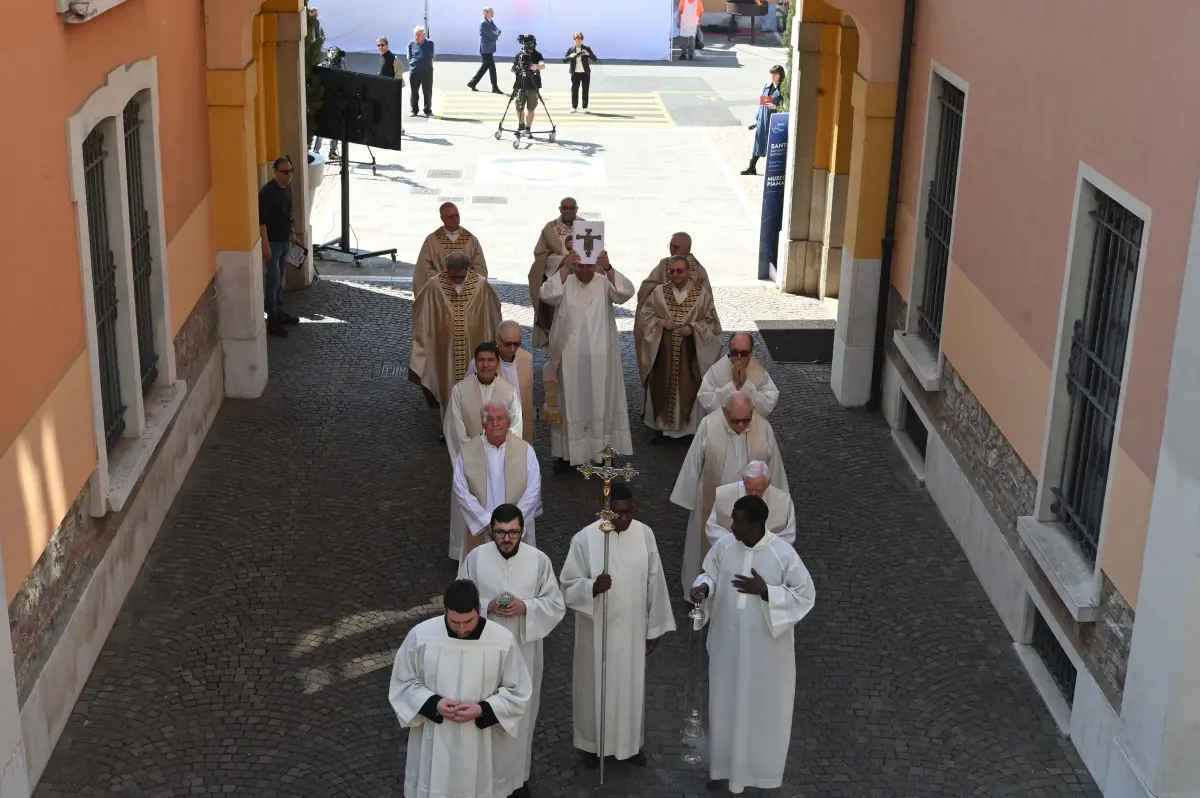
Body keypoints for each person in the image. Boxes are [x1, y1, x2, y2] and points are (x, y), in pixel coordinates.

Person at [690, 495, 816, 794]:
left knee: (762, 713)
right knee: (724, 707)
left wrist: (767, 591)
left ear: (757, 524)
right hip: (727, 647)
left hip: (766, 656)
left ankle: (760, 775)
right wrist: (703, 587)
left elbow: (805, 596)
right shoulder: (724, 546)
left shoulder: (782, 554)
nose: (732, 527)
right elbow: (710, 573)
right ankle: (721, 769)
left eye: (738, 523)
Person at [559, 483, 676, 768]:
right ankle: (591, 745)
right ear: (605, 510)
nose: (624, 519)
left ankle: (630, 744)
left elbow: (655, 582)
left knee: (630, 688)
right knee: (594, 687)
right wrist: (592, 587)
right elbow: (567, 585)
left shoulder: (645, 534)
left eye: (629, 512)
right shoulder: (585, 539)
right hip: (597, 630)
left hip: (633, 629)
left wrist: (654, 629)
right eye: (618, 513)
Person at [457, 504, 565, 798]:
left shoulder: (539, 561)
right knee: (485, 708)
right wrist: (486, 606)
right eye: (501, 532)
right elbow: (459, 599)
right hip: (485, 652)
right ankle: (485, 778)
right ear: (491, 530)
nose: (507, 538)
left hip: (524, 651)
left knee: (520, 714)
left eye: (513, 532)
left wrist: (526, 607)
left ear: (522, 531)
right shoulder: (476, 559)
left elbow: (555, 604)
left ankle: (517, 779)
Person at [388, 579, 533, 798]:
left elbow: (518, 691)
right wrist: (434, 704)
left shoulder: (502, 641)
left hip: (482, 741)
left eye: (468, 621)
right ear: (445, 610)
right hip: (435, 739)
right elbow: (403, 683)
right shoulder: (422, 636)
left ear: (479, 610)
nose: (462, 629)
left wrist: (482, 709)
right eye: (455, 622)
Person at [670, 392, 788, 594]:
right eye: (735, 421)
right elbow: (694, 460)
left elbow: (773, 466)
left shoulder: (763, 427)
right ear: (724, 412)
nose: (741, 426)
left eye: (746, 420)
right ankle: (702, 592)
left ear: (752, 412)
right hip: (714, 501)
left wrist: (779, 500)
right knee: (707, 546)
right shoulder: (709, 425)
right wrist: (687, 496)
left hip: (752, 501)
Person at [538, 245, 635, 471]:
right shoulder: (565, 282)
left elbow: (626, 292)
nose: (584, 271)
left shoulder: (604, 283)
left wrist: (608, 267)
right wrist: (564, 268)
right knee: (570, 403)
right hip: (569, 359)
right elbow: (546, 294)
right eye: (579, 266)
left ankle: (604, 450)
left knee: (601, 403)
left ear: (595, 264)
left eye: (589, 266)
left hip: (601, 359)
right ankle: (567, 453)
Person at [408, 253, 503, 430]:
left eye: (460, 276)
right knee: (448, 388)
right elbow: (421, 312)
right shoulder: (434, 285)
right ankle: (449, 428)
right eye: (453, 277)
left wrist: (494, 342)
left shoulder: (481, 285)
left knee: (476, 387)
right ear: (446, 270)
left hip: (474, 348)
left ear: (467, 270)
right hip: (444, 350)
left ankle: (474, 427)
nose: (457, 280)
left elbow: (494, 312)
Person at [636, 255, 722, 442]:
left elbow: (711, 323)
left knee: (687, 389)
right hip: (663, 353)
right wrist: (660, 323)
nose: (675, 275)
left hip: (690, 355)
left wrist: (693, 328)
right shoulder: (659, 292)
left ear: (688, 272)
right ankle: (660, 429)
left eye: (679, 271)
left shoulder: (701, 295)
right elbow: (646, 315)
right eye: (671, 271)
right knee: (661, 386)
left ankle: (687, 431)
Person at [450, 401, 540, 561]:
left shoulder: (526, 451)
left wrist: (513, 524)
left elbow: (533, 490)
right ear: (483, 423)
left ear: (509, 422)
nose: (495, 424)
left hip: (516, 526)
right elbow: (461, 490)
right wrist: (487, 522)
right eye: (489, 419)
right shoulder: (467, 452)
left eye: (500, 418)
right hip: (483, 529)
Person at [445, 342, 523, 463]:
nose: (486, 365)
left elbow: (516, 426)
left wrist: (499, 452)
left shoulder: (509, 391)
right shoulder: (459, 391)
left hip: (501, 459)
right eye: (481, 360)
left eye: (490, 360)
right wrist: (473, 452)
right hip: (471, 458)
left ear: (497, 363)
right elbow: (455, 429)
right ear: (475, 363)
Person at [633, 233, 712, 348]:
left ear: (687, 248)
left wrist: (693, 327)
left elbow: (707, 308)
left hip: (689, 337)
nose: (671, 250)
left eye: (675, 247)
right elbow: (645, 288)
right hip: (665, 333)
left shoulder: (699, 271)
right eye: (670, 246)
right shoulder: (664, 264)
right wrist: (663, 293)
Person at [258, 156, 302, 338]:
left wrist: (293, 233)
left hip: (284, 240)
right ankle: (273, 319)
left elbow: (289, 213)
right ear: (275, 172)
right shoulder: (267, 192)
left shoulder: (287, 187)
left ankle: (279, 310)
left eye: (291, 171)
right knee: (273, 280)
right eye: (285, 172)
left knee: (280, 278)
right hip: (273, 243)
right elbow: (261, 221)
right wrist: (265, 245)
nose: (289, 175)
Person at [468, 321, 534, 442]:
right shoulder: (483, 362)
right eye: (508, 344)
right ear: (497, 339)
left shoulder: (527, 359)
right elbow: (469, 393)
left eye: (517, 344)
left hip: (518, 424)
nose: (512, 349)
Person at [706, 460, 796, 545]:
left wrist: (763, 546)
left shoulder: (783, 501)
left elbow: (788, 535)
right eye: (749, 489)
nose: (753, 494)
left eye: (758, 490)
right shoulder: (724, 495)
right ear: (743, 480)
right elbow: (713, 527)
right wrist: (735, 544)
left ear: (768, 483)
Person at [529, 197, 578, 349]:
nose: (568, 211)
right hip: (556, 272)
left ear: (576, 209)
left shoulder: (586, 226)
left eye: (571, 208)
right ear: (560, 209)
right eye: (565, 208)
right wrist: (562, 261)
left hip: (581, 271)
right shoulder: (550, 228)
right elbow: (540, 252)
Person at [414, 202, 488, 299]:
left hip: (466, 294)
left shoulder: (471, 239)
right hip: (440, 294)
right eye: (450, 217)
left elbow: (480, 268)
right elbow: (423, 269)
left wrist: (466, 281)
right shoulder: (432, 240)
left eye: (457, 215)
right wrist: (442, 281)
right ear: (442, 218)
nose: (455, 219)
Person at [697, 332, 779, 416]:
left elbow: (768, 405)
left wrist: (746, 385)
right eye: (735, 353)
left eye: (744, 353)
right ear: (729, 350)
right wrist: (732, 384)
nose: (739, 357)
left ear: (751, 352)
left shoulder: (759, 373)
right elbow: (706, 401)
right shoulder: (716, 371)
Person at [742, 64, 785, 176]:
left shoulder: (782, 89)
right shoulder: (767, 87)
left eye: (775, 73)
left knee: (774, 146)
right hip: (763, 119)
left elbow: (785, 106)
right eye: (772, 73)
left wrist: (776, 107)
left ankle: (775, 170)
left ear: (780, 74)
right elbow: (761, 104)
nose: (773, 76)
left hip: (774, 121)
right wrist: (757, 119)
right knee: (759, 143)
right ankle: (751, 167)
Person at [510, 36, 546, 133]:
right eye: (525, 43)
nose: (526, 45)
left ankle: (528, 128)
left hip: (533, 85)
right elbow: (513, 66)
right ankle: (521, 124)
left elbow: (542, 65)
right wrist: (513, 68)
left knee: (531, 108)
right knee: (519, 107)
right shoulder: (519, 54)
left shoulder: (538, 55)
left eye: (528, 43)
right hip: (520, 84)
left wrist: (535, 66)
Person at [468, 7, 504, 93]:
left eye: (492, 11)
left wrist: (496, 33)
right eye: (490, 12)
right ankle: (493, 87)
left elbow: (497, 31)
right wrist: (496, 34)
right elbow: (492, 36)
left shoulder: (490, 22)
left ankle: (473, 83)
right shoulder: (484, 23)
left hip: (489, 49)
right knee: (489, 68)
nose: (492, 13)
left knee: (487, 68)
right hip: (486, 49)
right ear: (485, 13)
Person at [564, 32, 598, 113]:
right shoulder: (571, 49)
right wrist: (570, 56)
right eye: (576, 40)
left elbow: (595, 58)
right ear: (574, 40)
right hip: (575, 73)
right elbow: (564, 60)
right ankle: (574, 107)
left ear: (582, 40)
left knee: (585, 90)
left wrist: (588, 54)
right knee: (574, 90)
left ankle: (585, 107)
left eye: (579, 40)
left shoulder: (586, 48)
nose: (578, 41)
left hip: (585, 73)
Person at [407, 26, 435, 117]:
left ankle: (428, 110)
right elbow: (409, 57)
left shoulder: (430, 43)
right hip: (414, 72)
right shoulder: (411, 44)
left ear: (423, 34)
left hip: (427, 72)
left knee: (427, 92)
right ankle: (414, 110)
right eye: (415, 35)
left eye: (419, 34)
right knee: (414, 92)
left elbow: (433, 57)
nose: (417, 36)